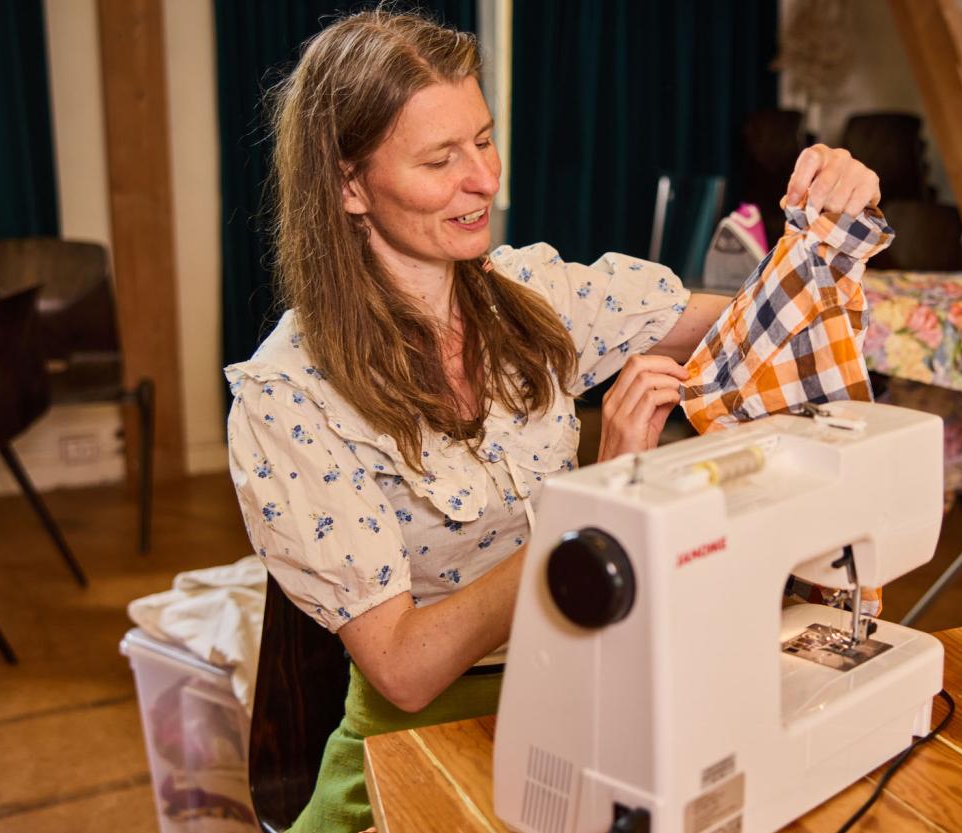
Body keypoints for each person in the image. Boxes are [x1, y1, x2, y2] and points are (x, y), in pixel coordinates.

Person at [225, 9, 883, 832]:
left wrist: (829, 225)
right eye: (441, 159)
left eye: (484, 139)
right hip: (418, 755)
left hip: (590, 693)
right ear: (349, 184)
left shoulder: (538, 296)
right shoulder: (290, 397)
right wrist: (592, 513)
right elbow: (403, 669)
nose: (482, 179)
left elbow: (769, 321)